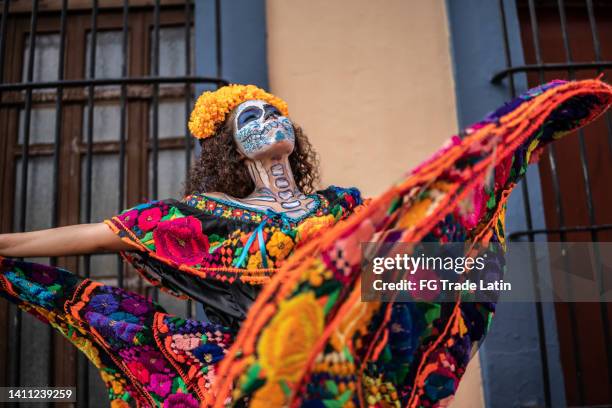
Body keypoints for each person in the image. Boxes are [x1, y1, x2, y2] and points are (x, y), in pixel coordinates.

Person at [0, 80, 610, 407]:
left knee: (468, 258)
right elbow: (99, 234)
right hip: (254, 372)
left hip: (348, 365)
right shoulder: (205, 218)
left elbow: (401, 249)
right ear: (231, 149)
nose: (269, 124)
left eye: (276, 115)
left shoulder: (339, 205)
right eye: (252, 121)